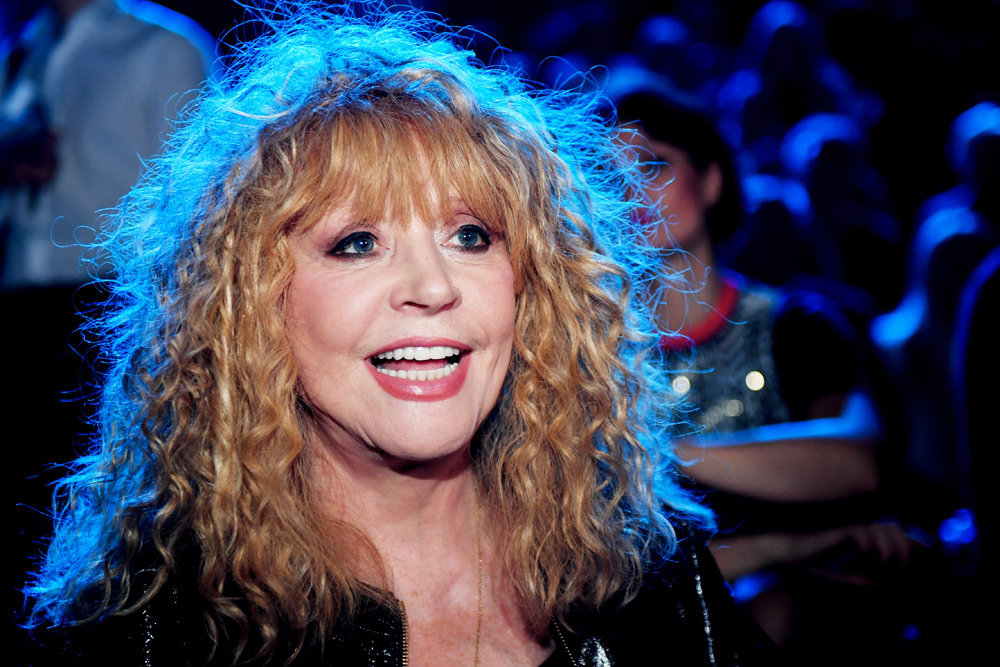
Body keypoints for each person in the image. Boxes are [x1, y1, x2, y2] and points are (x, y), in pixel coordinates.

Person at [23, 5, 777, 665]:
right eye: (357, 243)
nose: (433, 286)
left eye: (471, 236)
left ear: (534, 286)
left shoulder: (648, 574)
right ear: (249, 305)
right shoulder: (148, 625)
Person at [607, 70, 914, 658]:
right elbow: (614, 568)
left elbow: (856, 463)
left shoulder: (797, 326)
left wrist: (659, 451)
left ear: (712, 179)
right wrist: (785, 546)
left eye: (652, 166)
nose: (631, 193)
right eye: (609, 178)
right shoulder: (595, 355)